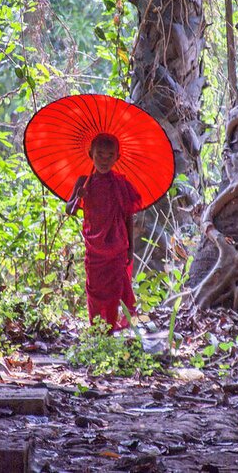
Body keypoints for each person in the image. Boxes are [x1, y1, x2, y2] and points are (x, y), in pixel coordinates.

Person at [66, 133, 142, 331]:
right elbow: (70, 210)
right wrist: (77, 198)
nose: (104, 160)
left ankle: (118, 330)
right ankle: (97, 331)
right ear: (90, 154)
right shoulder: (84, 181)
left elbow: (128, 217)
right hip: (94, 249)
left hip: (117, 247)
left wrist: (130, 248)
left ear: (117, 157)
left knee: (118, 290)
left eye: (110, 155)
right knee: (95, 291)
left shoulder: (121, 184)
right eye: (100, 154)